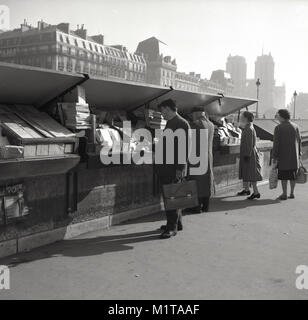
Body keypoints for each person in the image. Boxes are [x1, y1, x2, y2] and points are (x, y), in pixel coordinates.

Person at [155, 99, 191, 239]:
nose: (161, 114)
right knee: (175, 195)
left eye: (162, 110)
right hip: (168, 165)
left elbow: (184, 147)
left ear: (168, 109)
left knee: (171, 197)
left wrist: (180, 168)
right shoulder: (172, 122)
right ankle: (177, 222)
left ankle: (172, 228)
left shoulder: (181, 123)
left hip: (173, 167)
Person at [186, 107, 215, 213]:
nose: (192, 116)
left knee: (196, 182)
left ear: (196, 113)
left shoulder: (195, 124)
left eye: (192, 114)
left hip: (197, 157)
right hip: (208, 156)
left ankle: (196, 207)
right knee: (206, 181)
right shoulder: (211, 124)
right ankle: (206, 206)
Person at [272, 109, 302, 200]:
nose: (276, 117)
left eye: (277, 115)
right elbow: (299, 141)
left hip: (283, 156)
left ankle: (284, 194)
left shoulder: (278, 128)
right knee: (293, 176)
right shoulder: (295, 126)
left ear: (281, 116)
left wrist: (274, 156)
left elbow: (276, 143)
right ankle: (292, 193)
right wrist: (299, 154)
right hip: (294, 157)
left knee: (284, 176)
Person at [237, 111, 263, 199]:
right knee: (249, 173)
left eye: (242, 116)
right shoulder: (250, 127)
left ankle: (255, 192)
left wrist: (247, 155)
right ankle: (247, 189)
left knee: (251, 173)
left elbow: (249, 143)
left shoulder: (248, 129)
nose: (240, 117)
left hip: (249, 155)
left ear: (245, 118)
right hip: (250, 154)